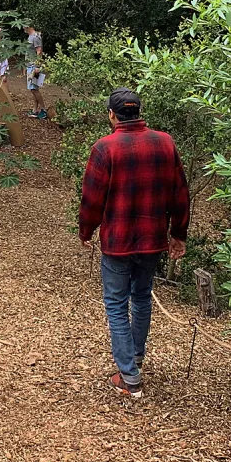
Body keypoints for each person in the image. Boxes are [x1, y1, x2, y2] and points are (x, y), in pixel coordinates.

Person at [78, 88, 190, 398]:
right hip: (153, 240)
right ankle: (135, 359)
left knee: (116, 303)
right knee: (141, 297)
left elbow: (91, 198)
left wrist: (86, 230)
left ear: (111, 115)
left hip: (117, 240)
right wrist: (178, 234)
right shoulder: (164, 143)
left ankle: (129, 376)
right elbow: (180, 193)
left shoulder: (105, 148)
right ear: (139, 112)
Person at [25, 26, 50, 120]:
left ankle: (43, 110)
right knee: (34, 88)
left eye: (24, 25)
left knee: (34, 89)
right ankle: (35, 110)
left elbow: (39, 51)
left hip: (34, 67)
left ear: (29, 26)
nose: (23, 27)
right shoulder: (30, 37)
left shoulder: (36, 37)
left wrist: (37, 66)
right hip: (30, 66)